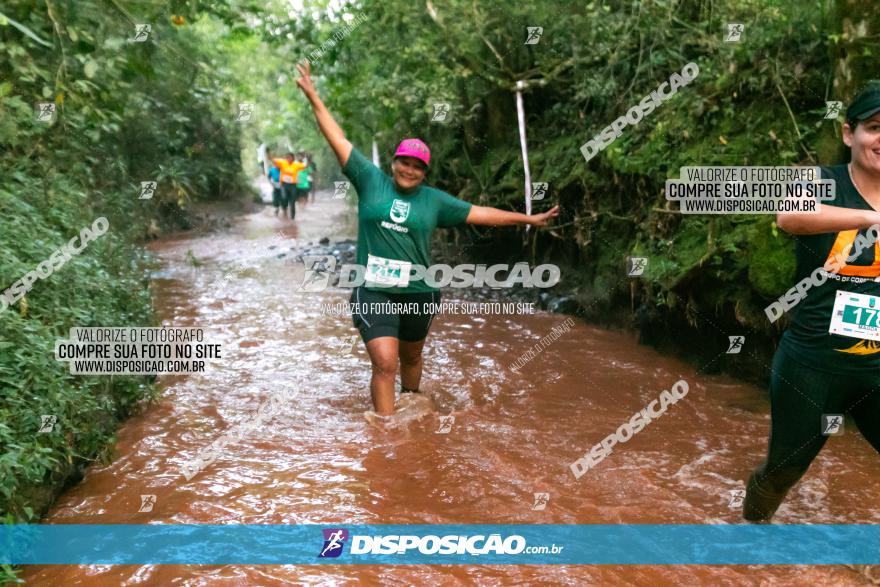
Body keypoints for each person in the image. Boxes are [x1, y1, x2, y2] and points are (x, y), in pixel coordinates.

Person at [294, 61, 559, 416]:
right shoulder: (369, 179)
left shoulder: (434, 201)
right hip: (372, 288)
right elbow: (337, 137)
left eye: (418, 166)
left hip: (419, 291)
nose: (410, 170)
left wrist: (528, 218)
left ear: (425, 172)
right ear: (393, 162)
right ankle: (387, 435)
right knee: (385, 363)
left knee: (411, 356)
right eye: (405, 162)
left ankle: (412, 403)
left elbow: (482, 213)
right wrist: (313, 96)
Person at [743, 81, 880, 522]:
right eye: (875, 128)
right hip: (812, 362)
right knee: (784, 470)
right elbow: (790, 216)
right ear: (848, 134)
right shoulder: (820, 180)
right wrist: (871, 218)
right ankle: (750, 535)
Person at [266, 149, 306, 220]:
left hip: (293, 185)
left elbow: (304, 166)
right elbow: (272, 160)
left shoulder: (296, 164)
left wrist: (305, 157)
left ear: (293, 158)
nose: (288, 159)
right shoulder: (282, 163)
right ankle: (284, 209)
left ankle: (292, 218)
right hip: (284, 184)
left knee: (292, 202)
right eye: (287, 157)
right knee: (284, 197)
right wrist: (268, 153)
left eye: (290, 157)